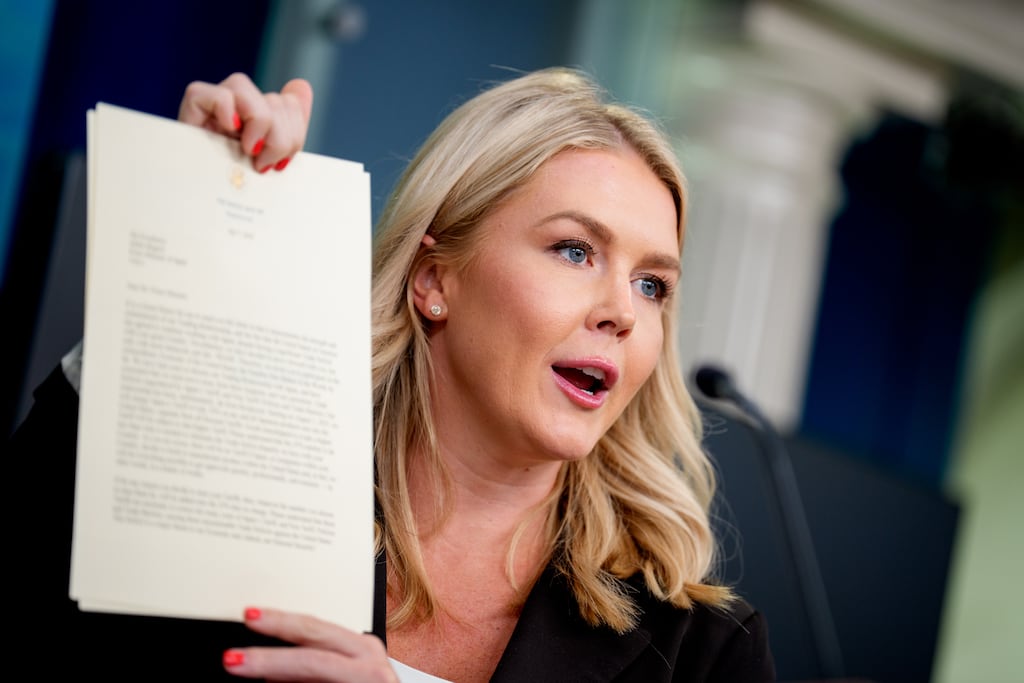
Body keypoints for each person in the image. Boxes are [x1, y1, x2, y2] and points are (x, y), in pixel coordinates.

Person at [9, 68, 775, 682]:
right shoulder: (240, 497)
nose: (623, 312)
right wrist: (194, 235)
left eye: (652, 284)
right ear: (434, 279)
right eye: (575, 251)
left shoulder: (704, 651)